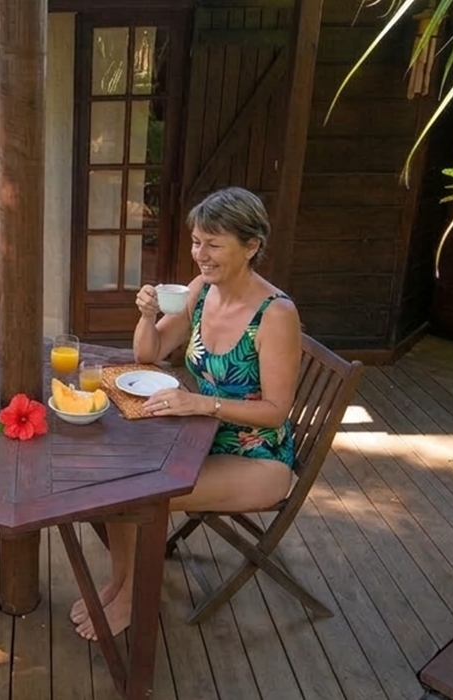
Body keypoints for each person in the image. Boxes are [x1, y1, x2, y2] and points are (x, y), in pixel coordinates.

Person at [72, 186, 301, 640]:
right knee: (108, 477)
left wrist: (200, 403)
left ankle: (139, 596)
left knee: (131, 495)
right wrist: (146, 314)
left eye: (213, 244)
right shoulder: (200, 290)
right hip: (200, 434)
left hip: (259, 458)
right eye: (197, 242)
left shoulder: (276, 314)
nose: (200, 254)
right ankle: (121, 583)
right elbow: (148, 353)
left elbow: (276, 412)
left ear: (251, 246)